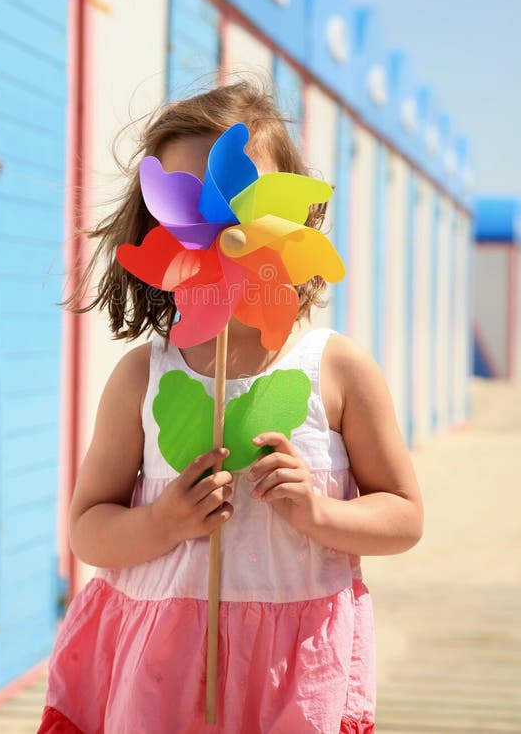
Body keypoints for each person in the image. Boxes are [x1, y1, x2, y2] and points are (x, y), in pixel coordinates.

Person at [38, 81, 423, 734]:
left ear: (294, 218)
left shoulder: (340, 370)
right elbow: (87, 527)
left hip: (291, 672)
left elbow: (405, 517)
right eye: (193, 211)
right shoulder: (142, 376)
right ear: (160, 227)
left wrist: (318, 511)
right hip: (162, 662)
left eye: (246, 207)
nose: (223, 233)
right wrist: (161, 522)